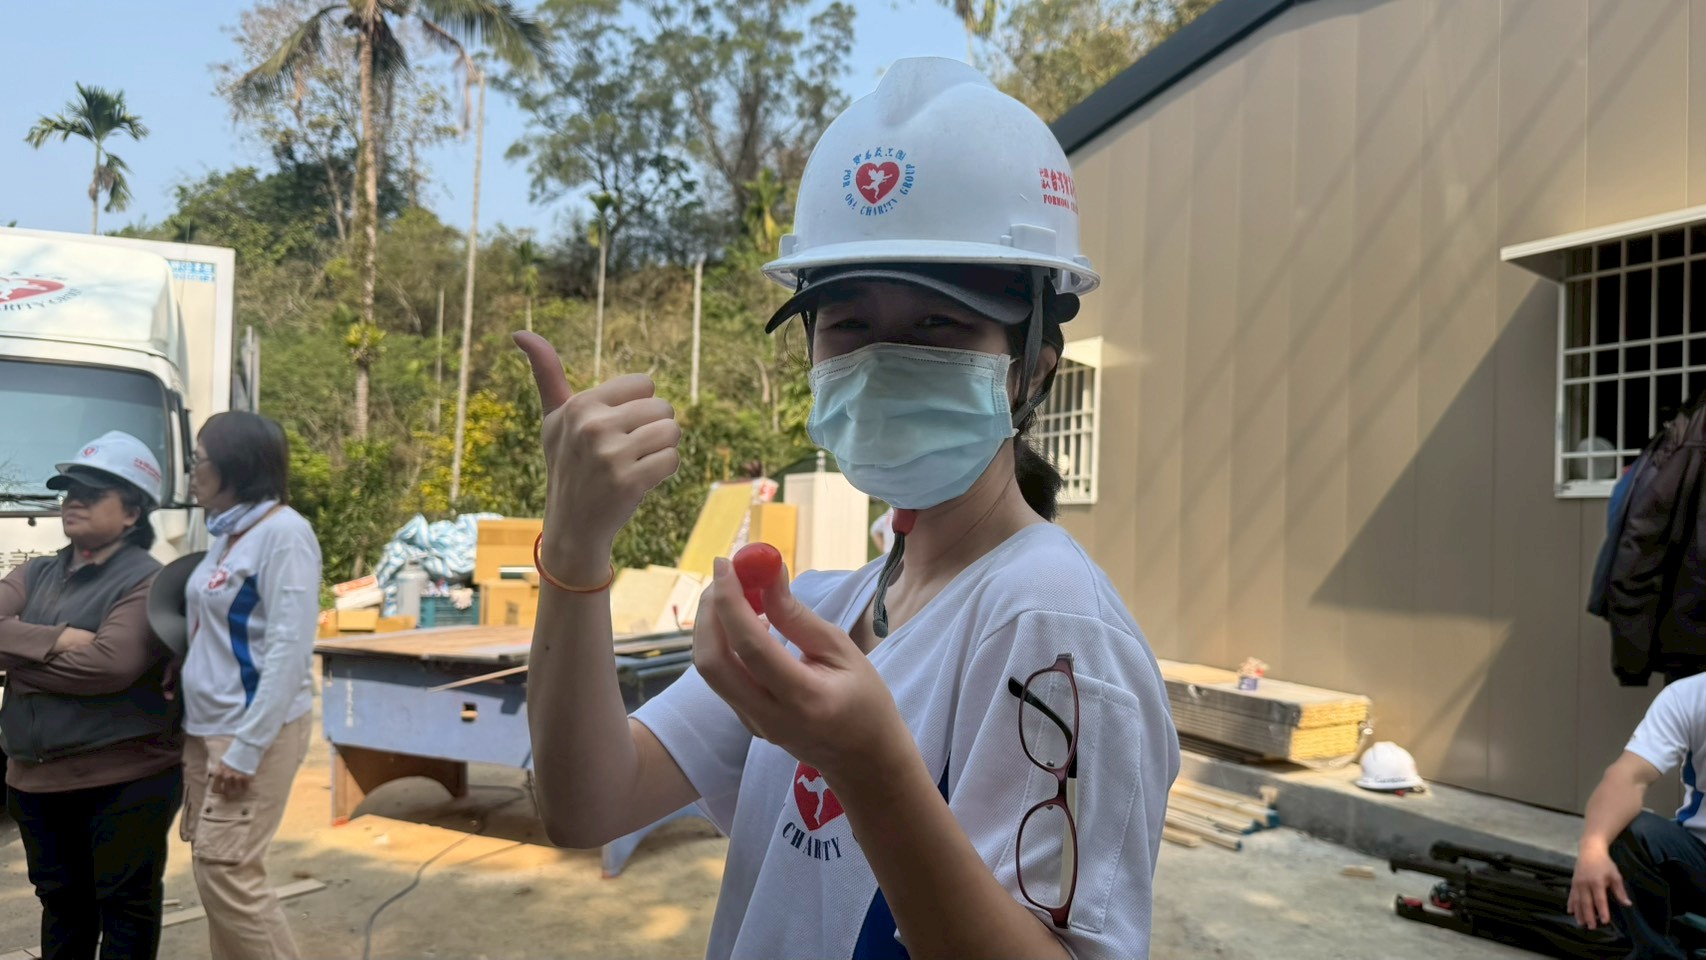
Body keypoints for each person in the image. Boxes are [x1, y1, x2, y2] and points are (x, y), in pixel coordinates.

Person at [518, 58, 1179, 960]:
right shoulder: (830, 607)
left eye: (938, 324)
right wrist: (575, 547)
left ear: (1033, 365)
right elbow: (586, 802)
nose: (881, 362)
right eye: (848, 324)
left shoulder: (1051, 624)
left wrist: (870, 769)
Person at [0, 431, 182, 960]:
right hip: (35, 782)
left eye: (92, 493)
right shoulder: (36, 571)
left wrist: (18, 665)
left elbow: (110, 666)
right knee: (62, 906)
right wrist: (58, 640)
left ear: (132, 513)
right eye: (68, 491)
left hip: (123, 780)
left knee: (125, 908)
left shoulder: (147, 581)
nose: (72, 501)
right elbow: (93, 661)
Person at [178, 412, 321, 960]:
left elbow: (289, 649)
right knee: (212, 870)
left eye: (199, 462)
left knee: (228, 871)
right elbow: (215, 626)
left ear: (234, 467)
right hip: (206, 726)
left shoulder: (284, 535)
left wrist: (247, 747)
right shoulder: (228, 534)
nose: (192, 474)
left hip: (249, 730)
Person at [1569, 674, 1706, 957]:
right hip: (1699, 861)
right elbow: (1627, 778)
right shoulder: (1690, 696)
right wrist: (1592, 849)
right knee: (1629, 831)